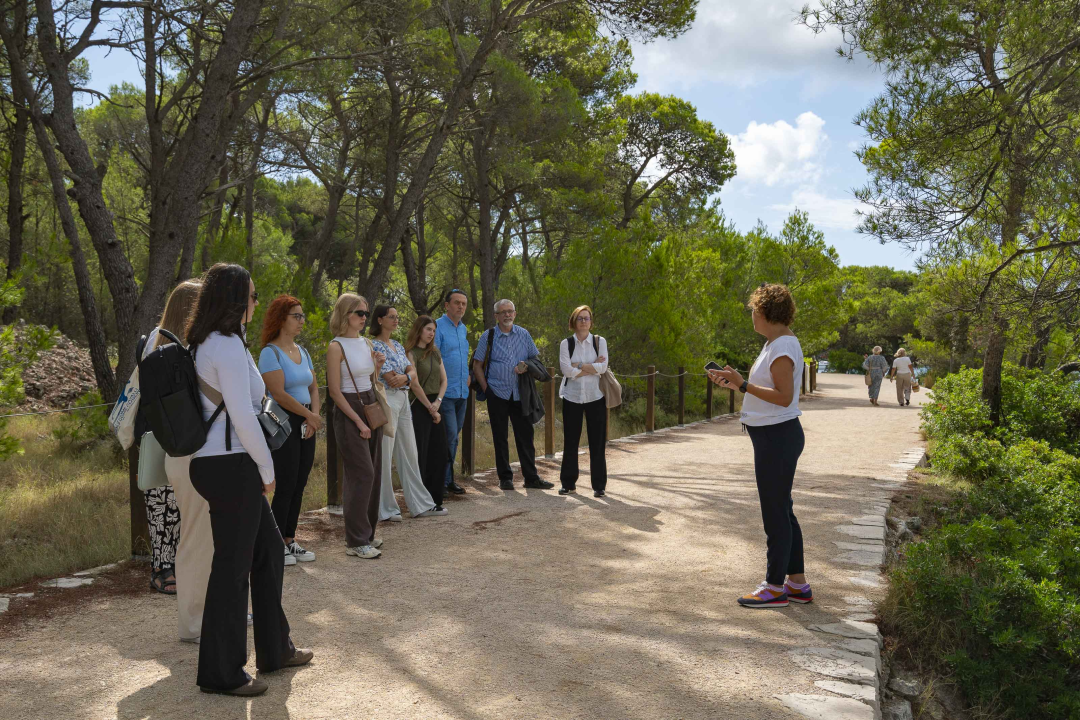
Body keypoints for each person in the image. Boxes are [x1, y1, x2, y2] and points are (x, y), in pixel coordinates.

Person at [186, 263, 311, 696]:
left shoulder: (221, 342)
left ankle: (275, 649)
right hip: (230, 464)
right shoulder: (221, 345)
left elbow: (252, 395)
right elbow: (242, 414)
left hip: (226, 463)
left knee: (268, 550)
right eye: (253, 297)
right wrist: (267, 469)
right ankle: (222, 673)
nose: (257, 304)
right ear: (237, 300)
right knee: (232, 570)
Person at [709, 283, 811, 609]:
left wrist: (742, 383)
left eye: (754, 310)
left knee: (775, 513)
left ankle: (774, 586)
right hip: (774, 435)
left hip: (777, 435)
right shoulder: (777, 343)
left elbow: (783, 398)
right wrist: (738, 384)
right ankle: (797, 584)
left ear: (766, 312)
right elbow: (766, 391)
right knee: (784, 509)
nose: (751, 315)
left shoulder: (781, 347)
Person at [143, 279, 209, 641]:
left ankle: (201, 613)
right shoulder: (187, 353)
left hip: (173, 451)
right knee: (197, 539)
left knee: (191, 538)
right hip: (193, 452)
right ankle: (195, 620)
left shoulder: (154, 346)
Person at [259, 295, 322, 566]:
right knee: (285, 483)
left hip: (308, 421)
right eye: (296, 316)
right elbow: (278, 394)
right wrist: (308, 415)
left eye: (302, 316)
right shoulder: (269, 353)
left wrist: (314, 416)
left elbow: (314, 387)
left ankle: (289, 539)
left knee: (300, 483)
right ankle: (274, 543)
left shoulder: (303, 351)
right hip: (285, 422)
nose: (301, 321)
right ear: (281, 318)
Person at [370, 305, 446, 520]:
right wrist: (407, 376)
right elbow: (390, 376)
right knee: (385, 453)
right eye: (391, 317)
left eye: (397, 316)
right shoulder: (373, 345)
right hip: (388, 399)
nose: (396, 320)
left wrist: (408, 377)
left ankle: (420, 504)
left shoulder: (396, 345)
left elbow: (409, 371)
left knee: (409, 452)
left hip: (403, 399)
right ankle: (385, 508)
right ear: (380, 320)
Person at [326, 293, 386, 559]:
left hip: (370, 403)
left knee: (374, 472)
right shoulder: (336, 346)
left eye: (366, 313)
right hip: (350, 410)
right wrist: (358, 420)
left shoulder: (365, 342)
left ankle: (368, 534)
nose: (364, 318)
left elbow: (369, 380)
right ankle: (355, 540)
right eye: (359, 313)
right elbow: (336, 392)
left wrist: (377, 366)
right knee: (362, 474)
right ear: (345, 314)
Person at [472, 299, 554, 491]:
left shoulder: (524, 334)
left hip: (520, 393)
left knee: (525, 436)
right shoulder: (488, 336)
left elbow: (534, 358)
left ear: (515, 314)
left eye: (510, 311)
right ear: (496, 316)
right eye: (503, 312)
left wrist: (526, 365)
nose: (507, 315)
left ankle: (531, 478)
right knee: (500, 437)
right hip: (497, 393)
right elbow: (477, 365)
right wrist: (487, 390)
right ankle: (505, 478)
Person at [557, 305, 610, 498]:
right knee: (571, 441)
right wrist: (591, 367)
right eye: (580, 318)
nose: (584, 322)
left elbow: (603, 367)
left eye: (587, 318)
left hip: (596, 396)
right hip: (572, 397)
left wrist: (578, 365)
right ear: (573, 322)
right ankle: (568, 483)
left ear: (591, 322)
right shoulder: (566, 344)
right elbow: (566, 371)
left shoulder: (599, 341)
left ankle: (599, 486)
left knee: (597, 442)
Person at [405, 316, 449, 510]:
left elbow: (444, 380)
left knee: (440, 451)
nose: (431, 333)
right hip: (418, 404)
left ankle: (435, 498)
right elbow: (413, 384)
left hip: (436, 404)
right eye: (428, 329)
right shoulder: (410, 353)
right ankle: (421, 501)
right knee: (421, 452)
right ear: (419, 330)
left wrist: (437, 402)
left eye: (434, 330)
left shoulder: (435, 352)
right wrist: (429, 407)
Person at [435, 289, 470, 495]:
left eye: (464, 304)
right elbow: (434, 357)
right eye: (457, 303)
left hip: (462, 392)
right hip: (444, 392)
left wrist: (467, 376)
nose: (461, 307)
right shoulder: (437, 327)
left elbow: (461, 357)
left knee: (453, 436)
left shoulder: (463, 329)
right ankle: (441, 481)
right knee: (449, 437)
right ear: (446, 305)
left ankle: (448, 480)